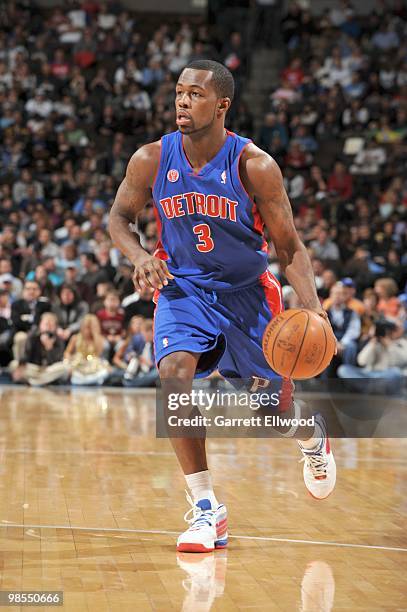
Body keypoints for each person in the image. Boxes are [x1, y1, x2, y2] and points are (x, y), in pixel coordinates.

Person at [109, 60, 336, 554]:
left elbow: (290, 247)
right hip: (183, 287)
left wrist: (314, 309)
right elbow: (120, 218)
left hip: (247, 294)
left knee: (271, 414)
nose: (183, 102)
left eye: (194, 94)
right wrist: (140, 255)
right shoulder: (150, 158)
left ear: (222, 104)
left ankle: (310, 435)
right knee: (173, 374)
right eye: (178, 93)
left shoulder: (254, 165)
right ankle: (207, 506)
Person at [64, 314, 110, 386]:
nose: (88, 331)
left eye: (90, 328)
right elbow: (67, 352)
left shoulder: (100, 340)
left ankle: (90, 380)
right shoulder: (75, 338)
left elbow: (99, 356)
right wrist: (69, 360)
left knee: (105, 371)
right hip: (78, 364)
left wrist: (96, 337)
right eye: (86, 327)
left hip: (93, 366)